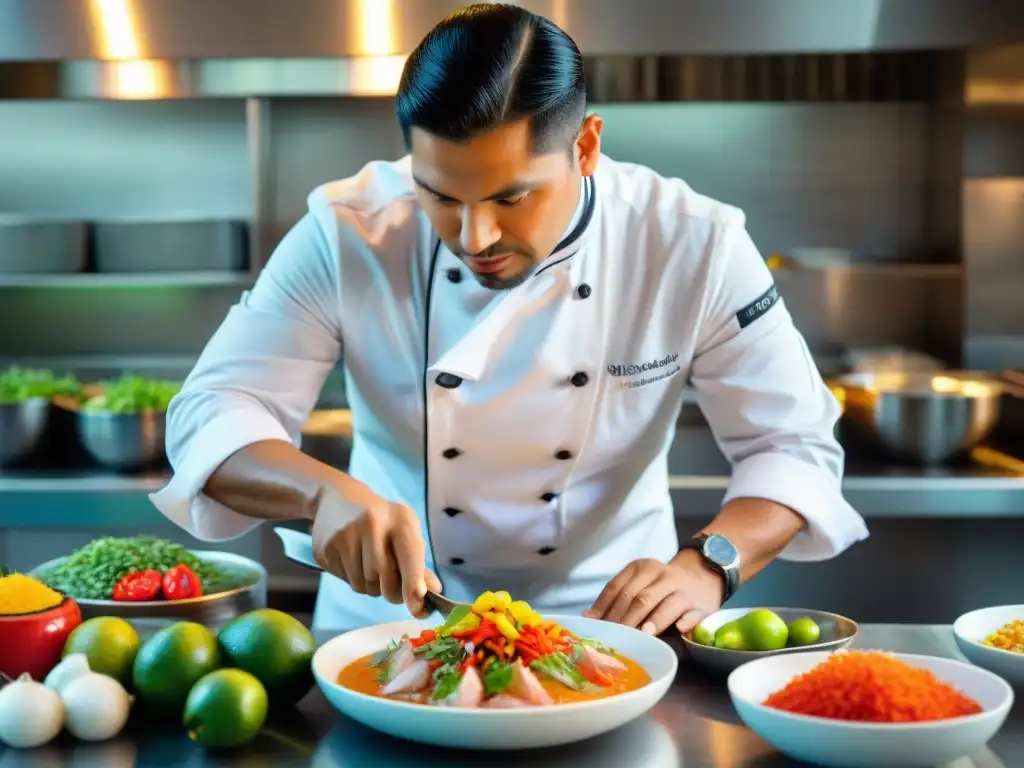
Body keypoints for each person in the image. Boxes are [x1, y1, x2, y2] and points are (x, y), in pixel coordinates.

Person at [150, 3, 868, 635]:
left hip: (608, 630)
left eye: (511, 198)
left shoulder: (690, 242)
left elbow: (794, 444)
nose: (474, 238)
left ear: (585, 147)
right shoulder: (349, 231)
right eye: (439, 196)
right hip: (393, 624)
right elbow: (212, 411)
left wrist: (708, 566)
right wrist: (322, 491)